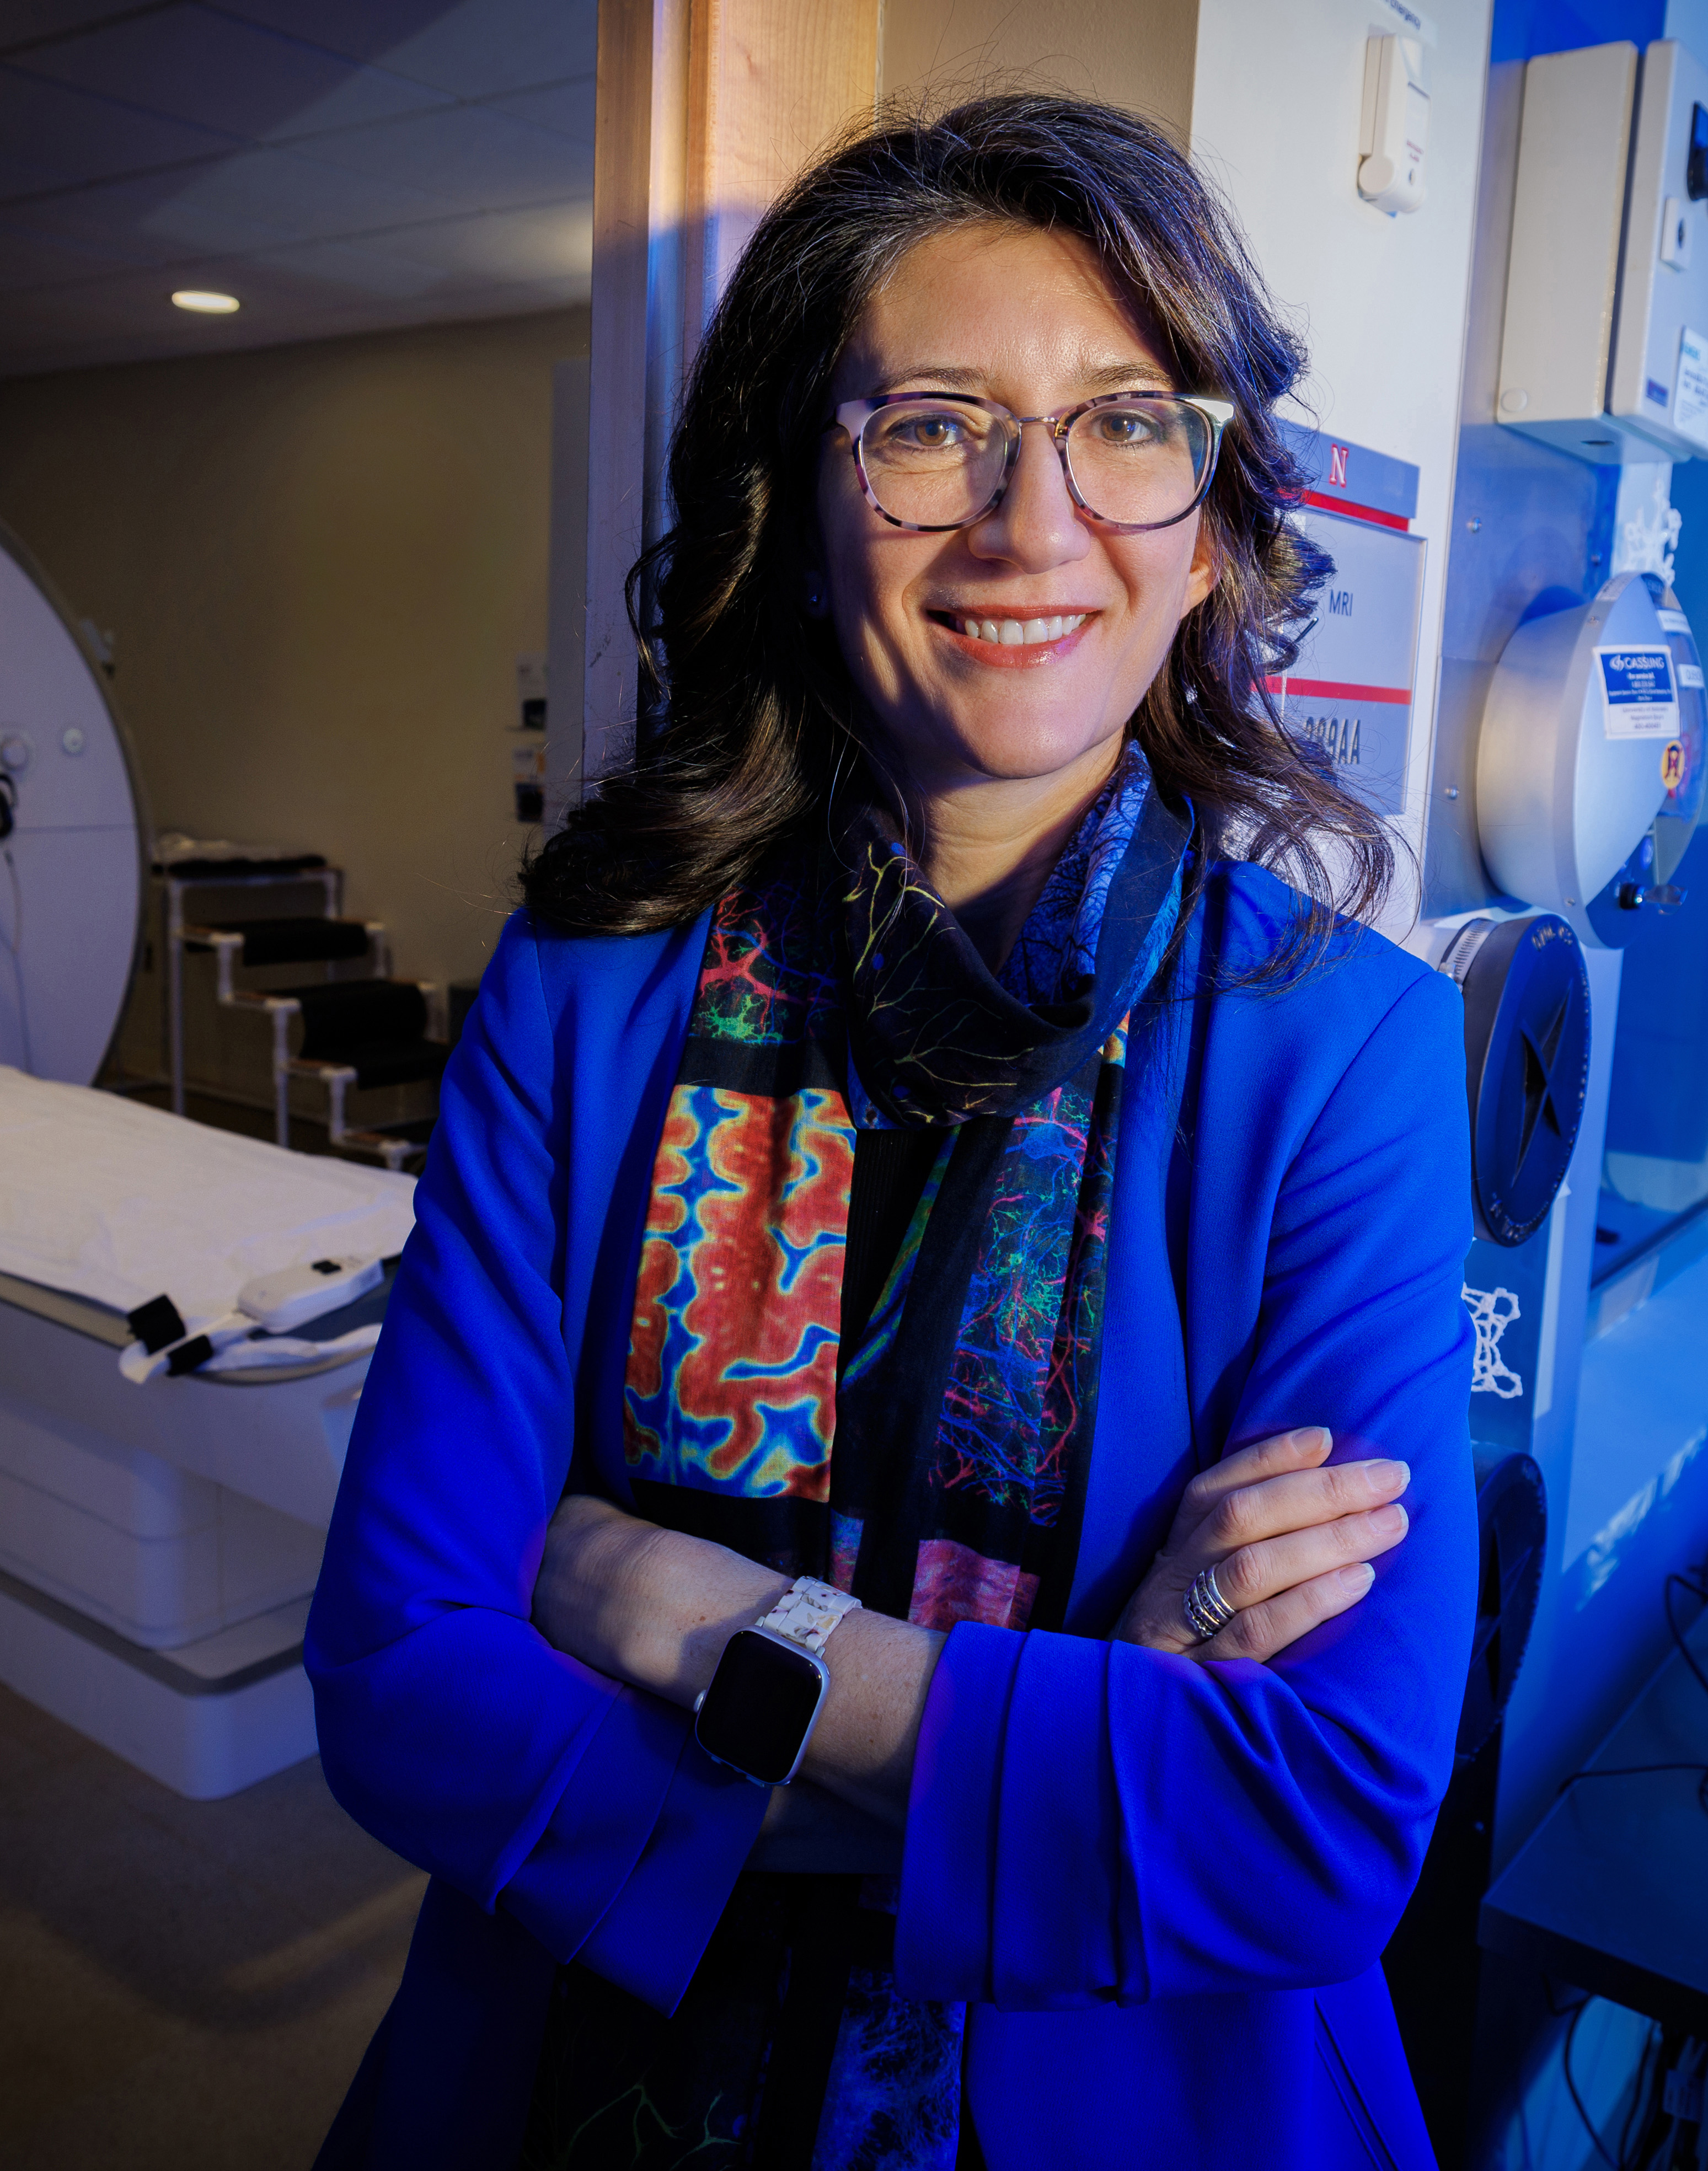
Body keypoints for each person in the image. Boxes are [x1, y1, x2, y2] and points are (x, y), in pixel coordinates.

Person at [309, 92, 1473, 2171]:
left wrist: (696, 1622)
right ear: (803, 499)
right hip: (579, 2082)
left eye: (1128, 423)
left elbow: (1318, 1824)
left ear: (1210, 523)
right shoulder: (588, 991)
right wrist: (1096, 1705)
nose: (1037, 529)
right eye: (935, 426)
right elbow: (402, 1675)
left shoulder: (1348, 1054)